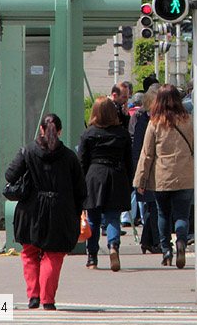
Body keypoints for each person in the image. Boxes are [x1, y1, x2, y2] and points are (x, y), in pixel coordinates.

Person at [5, 114, 86, 310]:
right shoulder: (69, 157)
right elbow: (80, 189)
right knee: (53, 254)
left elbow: (10, 175)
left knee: (30, 253)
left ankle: (33, 296)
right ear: (60, 132)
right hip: (60, 212)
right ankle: (48, 300)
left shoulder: (28, 152)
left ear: (41, 130)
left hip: (30, 211)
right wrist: (76, 214)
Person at [134, 84, 194, 269]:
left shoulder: (154, 123)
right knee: (182, 214)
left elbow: (147, 154)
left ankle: (166, 250)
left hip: (162, 177)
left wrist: (140, 180)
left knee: (163, 214)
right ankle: (182, 241)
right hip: (185, 176)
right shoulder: (189, 121)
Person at [79, 98, 133, 271]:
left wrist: (80, 183)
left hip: (94, 176)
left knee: (93, 219)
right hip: (116, 176)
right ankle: (113, 246)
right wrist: (129, 181)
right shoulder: (122, 134)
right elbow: (129, 161)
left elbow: (82, 161)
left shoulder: (88, 134)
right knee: (112, 217)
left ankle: (92, 258)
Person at [130, 84, 161, 253]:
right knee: (155, 207)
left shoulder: (143, 119)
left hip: (151, 169)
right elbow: (140, 150)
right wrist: (140, 174)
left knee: (152, 207)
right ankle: (156, 242)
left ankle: (147, 241)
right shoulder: (146, 121)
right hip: (150, 170)